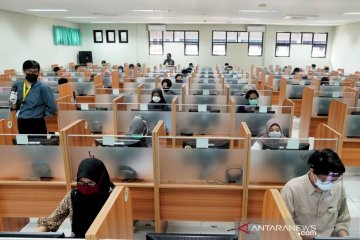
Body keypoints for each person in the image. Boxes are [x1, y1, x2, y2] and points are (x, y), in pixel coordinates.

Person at [37, 158, 114, 238]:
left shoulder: (112, 197)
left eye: (91, 183)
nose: (86, 187)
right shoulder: (73, 195)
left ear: (101, 181)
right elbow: (52, 221)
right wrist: (37, 235)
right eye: (81, 182)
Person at [281, 149, 350, 238]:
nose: (329, 183)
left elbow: (342, 220)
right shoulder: (291, 189)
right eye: (324, 180)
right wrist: (310, 236)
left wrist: (344, 236)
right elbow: (283, 225)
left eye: (333, 180)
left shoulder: (338, 188)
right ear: (312, 171)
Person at [9, 60, 57, 134]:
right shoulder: (17, 85)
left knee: (39, 144)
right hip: (21, 121)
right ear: (24, 71)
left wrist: (41, 115)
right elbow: (13, 107)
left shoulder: (43, 87)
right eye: (30, 71)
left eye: (35, 71)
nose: (33, 73)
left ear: (38, 72)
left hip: (37, 121)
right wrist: (12, 104)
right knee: (24, 144)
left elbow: (52, 107)